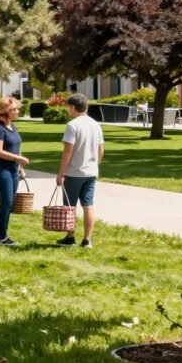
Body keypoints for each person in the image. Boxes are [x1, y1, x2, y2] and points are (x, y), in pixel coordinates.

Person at [55, 93, 105, 248]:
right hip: (91, 172)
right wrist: (95, 165)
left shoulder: (72, 125)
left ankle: (70, 237)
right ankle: (87, 240)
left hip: (74, 172)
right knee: (88, 205)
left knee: (70, 206)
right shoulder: (96, 125)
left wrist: (61, 173)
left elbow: (68, 151)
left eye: (68, 107)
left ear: (72, 107)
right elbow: (101, 150)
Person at [0, 97, 29, 247]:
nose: (17, 111)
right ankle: (1, 237)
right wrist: (19, 158)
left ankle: (4, 236)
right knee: (6, 202)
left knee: (9, 203)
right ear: (5, 112)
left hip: (13, 170)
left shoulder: (12, 126)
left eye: (17, 109)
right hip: (1, 169)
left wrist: (20, 167)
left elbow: (16, 147)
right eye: (14, 109)